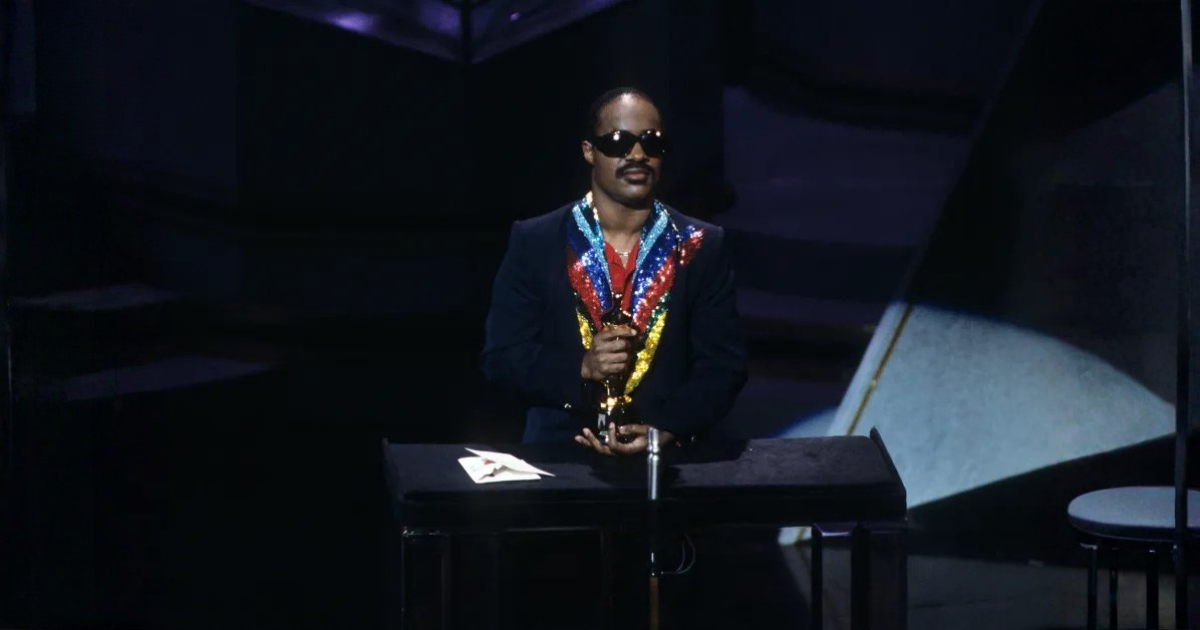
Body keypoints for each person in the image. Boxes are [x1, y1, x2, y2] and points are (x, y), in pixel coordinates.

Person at [483, 87, 747, 454]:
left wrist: (666, 429)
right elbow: (502, 358)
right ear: (589, 151)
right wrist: (582, 368)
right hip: (558, 459)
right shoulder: (537, 241)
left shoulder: (700, 245)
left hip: (664, 462)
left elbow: (723, 366)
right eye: (619, 142)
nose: (637, 155)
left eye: (651, 142)